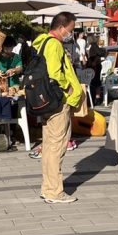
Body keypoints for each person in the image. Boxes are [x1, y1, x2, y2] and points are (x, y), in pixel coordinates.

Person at [31, 12, 84, 204]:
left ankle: (48, 188)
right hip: (57, 101)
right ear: (61, 27)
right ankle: (54, 191)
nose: (70, 34)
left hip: (47, 101)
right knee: (57, 146)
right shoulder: (53, 44)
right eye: (70, 30)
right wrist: (69, 90)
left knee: (50, 145)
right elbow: (55, 74)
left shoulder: (42, 43)